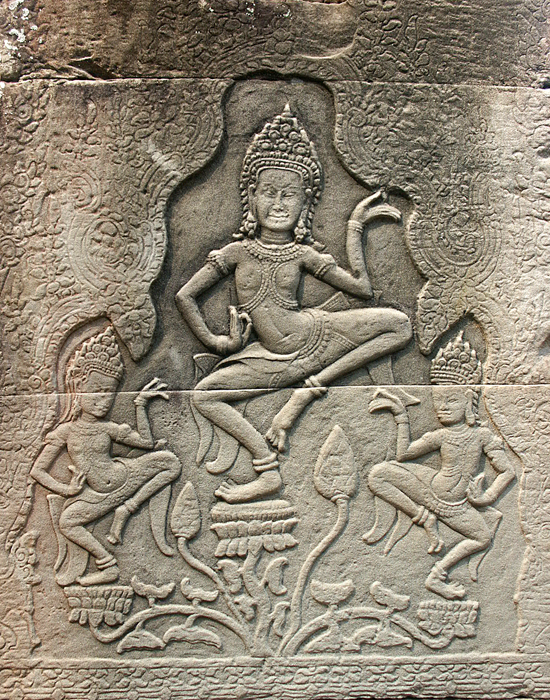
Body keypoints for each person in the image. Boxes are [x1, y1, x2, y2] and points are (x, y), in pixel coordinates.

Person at [176, 105, 411, 504]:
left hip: (317, 338)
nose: (279, 203)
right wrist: (218, 343)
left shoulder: (302, 254)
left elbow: (361, 289)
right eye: (269, 192)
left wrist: (355, 225)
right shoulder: (236, 253)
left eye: (289, 195)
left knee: (399, 325)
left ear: (306, 203)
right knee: (205, 396)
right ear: (251, 196)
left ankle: (305, 393)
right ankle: (266, 469)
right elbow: (185, 296)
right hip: (270, 358)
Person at [365, 333, 515, 600]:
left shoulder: (482, 436)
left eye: (451, 401)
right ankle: (423, 517)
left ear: (468, 399)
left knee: (482, 538)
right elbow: (404, 454)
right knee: (377, 475)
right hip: (428, 489)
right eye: (438, 400)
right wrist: (401, 416)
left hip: (457, 505)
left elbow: (507, 471)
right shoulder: (441, 435)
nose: (442, 408)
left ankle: (437, 575)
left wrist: (486, 497)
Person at [31, 326, 181, 586]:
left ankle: (127, 509)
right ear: (78, 387)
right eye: (97, 391)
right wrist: (67, 490)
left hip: (125, 477)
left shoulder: (108, 428)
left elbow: (145, 443)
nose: (104, 400)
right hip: (96, 496)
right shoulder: (66, 432)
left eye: (110, 394)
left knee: (171, 463)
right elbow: (38, 471)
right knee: (67, 522)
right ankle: (107, 564)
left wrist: (140, 404)